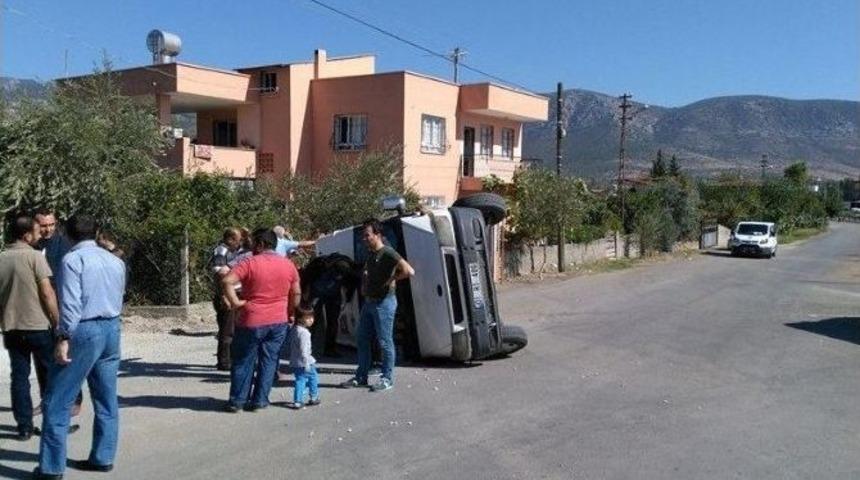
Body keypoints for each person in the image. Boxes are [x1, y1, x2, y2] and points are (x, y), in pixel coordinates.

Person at [35, 214, 127, 479]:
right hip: (111, 325)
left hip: (84, 329)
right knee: (107, 398)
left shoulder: (72, 260)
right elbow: (119, 294)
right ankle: (103, 457)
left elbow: (72, 304)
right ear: (96, 231)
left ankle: (51, 468)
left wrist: (63, 337)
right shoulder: (114, 260)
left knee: (57, 400)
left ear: (66, 233)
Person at [221, 228, 300, 412]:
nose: (251, 246)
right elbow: (296, 293)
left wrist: (236, 303)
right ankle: (260, 401)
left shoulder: (250, 262)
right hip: (278, 321)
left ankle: (237, 402)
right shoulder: (288, 265)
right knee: (269, 361)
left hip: (251, 319)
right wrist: (289, 312)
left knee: (243, 361)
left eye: (254, 242)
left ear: (261, 244)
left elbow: (227, 281)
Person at [0, 213, 60, 441]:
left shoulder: (2, 258)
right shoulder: (35, 257)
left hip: (12, 328)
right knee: (48, 377)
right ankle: (52, 425)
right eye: (36, 231)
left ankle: (23, 426)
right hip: (38, 327)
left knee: (19, 377)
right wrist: (57, 322)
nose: (40, 235)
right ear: (26, 236)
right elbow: (47, 293)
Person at [340, 219, 414, 393]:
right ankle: (361, 376)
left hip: (384, 303)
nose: (364, 239)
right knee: (362, 338)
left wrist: (392, 280)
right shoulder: (371, 253)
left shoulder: (388, 252)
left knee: (385, 342)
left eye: (367, 235)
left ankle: (387, 379)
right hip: (370, 302)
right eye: (363, 236)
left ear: (378, 235)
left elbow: (409, 271)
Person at [34, 208, 85, 418]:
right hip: (38, 310)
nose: (48, 229)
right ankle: (47, 398)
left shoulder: (65, 246)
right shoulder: (33, 245)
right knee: (42, 358)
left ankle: (74, 399)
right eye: (44, 225)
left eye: (51, 225)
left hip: (61, 307)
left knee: (65, 357)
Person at [210, 228, 242, 370]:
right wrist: (224, 295)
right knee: (227, 329)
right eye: (237, 239)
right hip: (227, 294)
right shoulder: (221, 251)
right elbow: (219, 274)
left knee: (233, 328)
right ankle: (224, 362)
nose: (239, 242)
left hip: (235, 292)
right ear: (229, 239)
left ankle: (230, 358)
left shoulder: (235, 252)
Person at [286, 307, 320, 409]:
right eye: (308, 318)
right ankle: (314, 396)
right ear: (300, 319)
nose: (311, 320)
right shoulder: (305, 333)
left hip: (295, 361)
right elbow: (304, 350)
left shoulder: (294, 329)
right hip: (306, 362)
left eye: (312, 317)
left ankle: (298, 400)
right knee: (313, 378)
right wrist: (306, 363)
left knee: (300, 380)